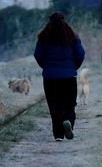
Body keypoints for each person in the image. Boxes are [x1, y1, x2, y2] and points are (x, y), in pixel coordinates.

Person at [33, 11, 85, 140]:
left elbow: (37, 55)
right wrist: (74, 67)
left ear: (49, 21)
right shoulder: (72, 36)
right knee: (69, 104)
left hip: (50, 78)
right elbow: (80, 54)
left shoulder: (43, 37)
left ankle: (58, 135)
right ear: (64, 20)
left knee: (54, 105)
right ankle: (68, 123)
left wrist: (45, 67)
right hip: (69, 77)